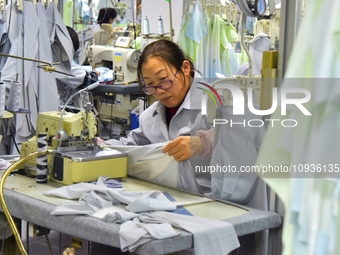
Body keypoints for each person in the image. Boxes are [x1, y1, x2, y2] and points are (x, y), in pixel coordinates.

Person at [92, 38, 213, 255]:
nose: (159, 91)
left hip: (210, 203)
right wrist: (96, 145)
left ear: (185, 68)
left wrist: (204, 143)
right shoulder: (152, 115)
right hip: (168, 201)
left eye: (164, 81)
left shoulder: (217, 99)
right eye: (150, 85)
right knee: (108, 237)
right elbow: (130, 145)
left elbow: (244, 138)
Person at [56, 26, 99, 107]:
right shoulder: (62, 64)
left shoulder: (52, 57)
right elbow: (90, 80)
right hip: (63, 108)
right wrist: (95, 73)